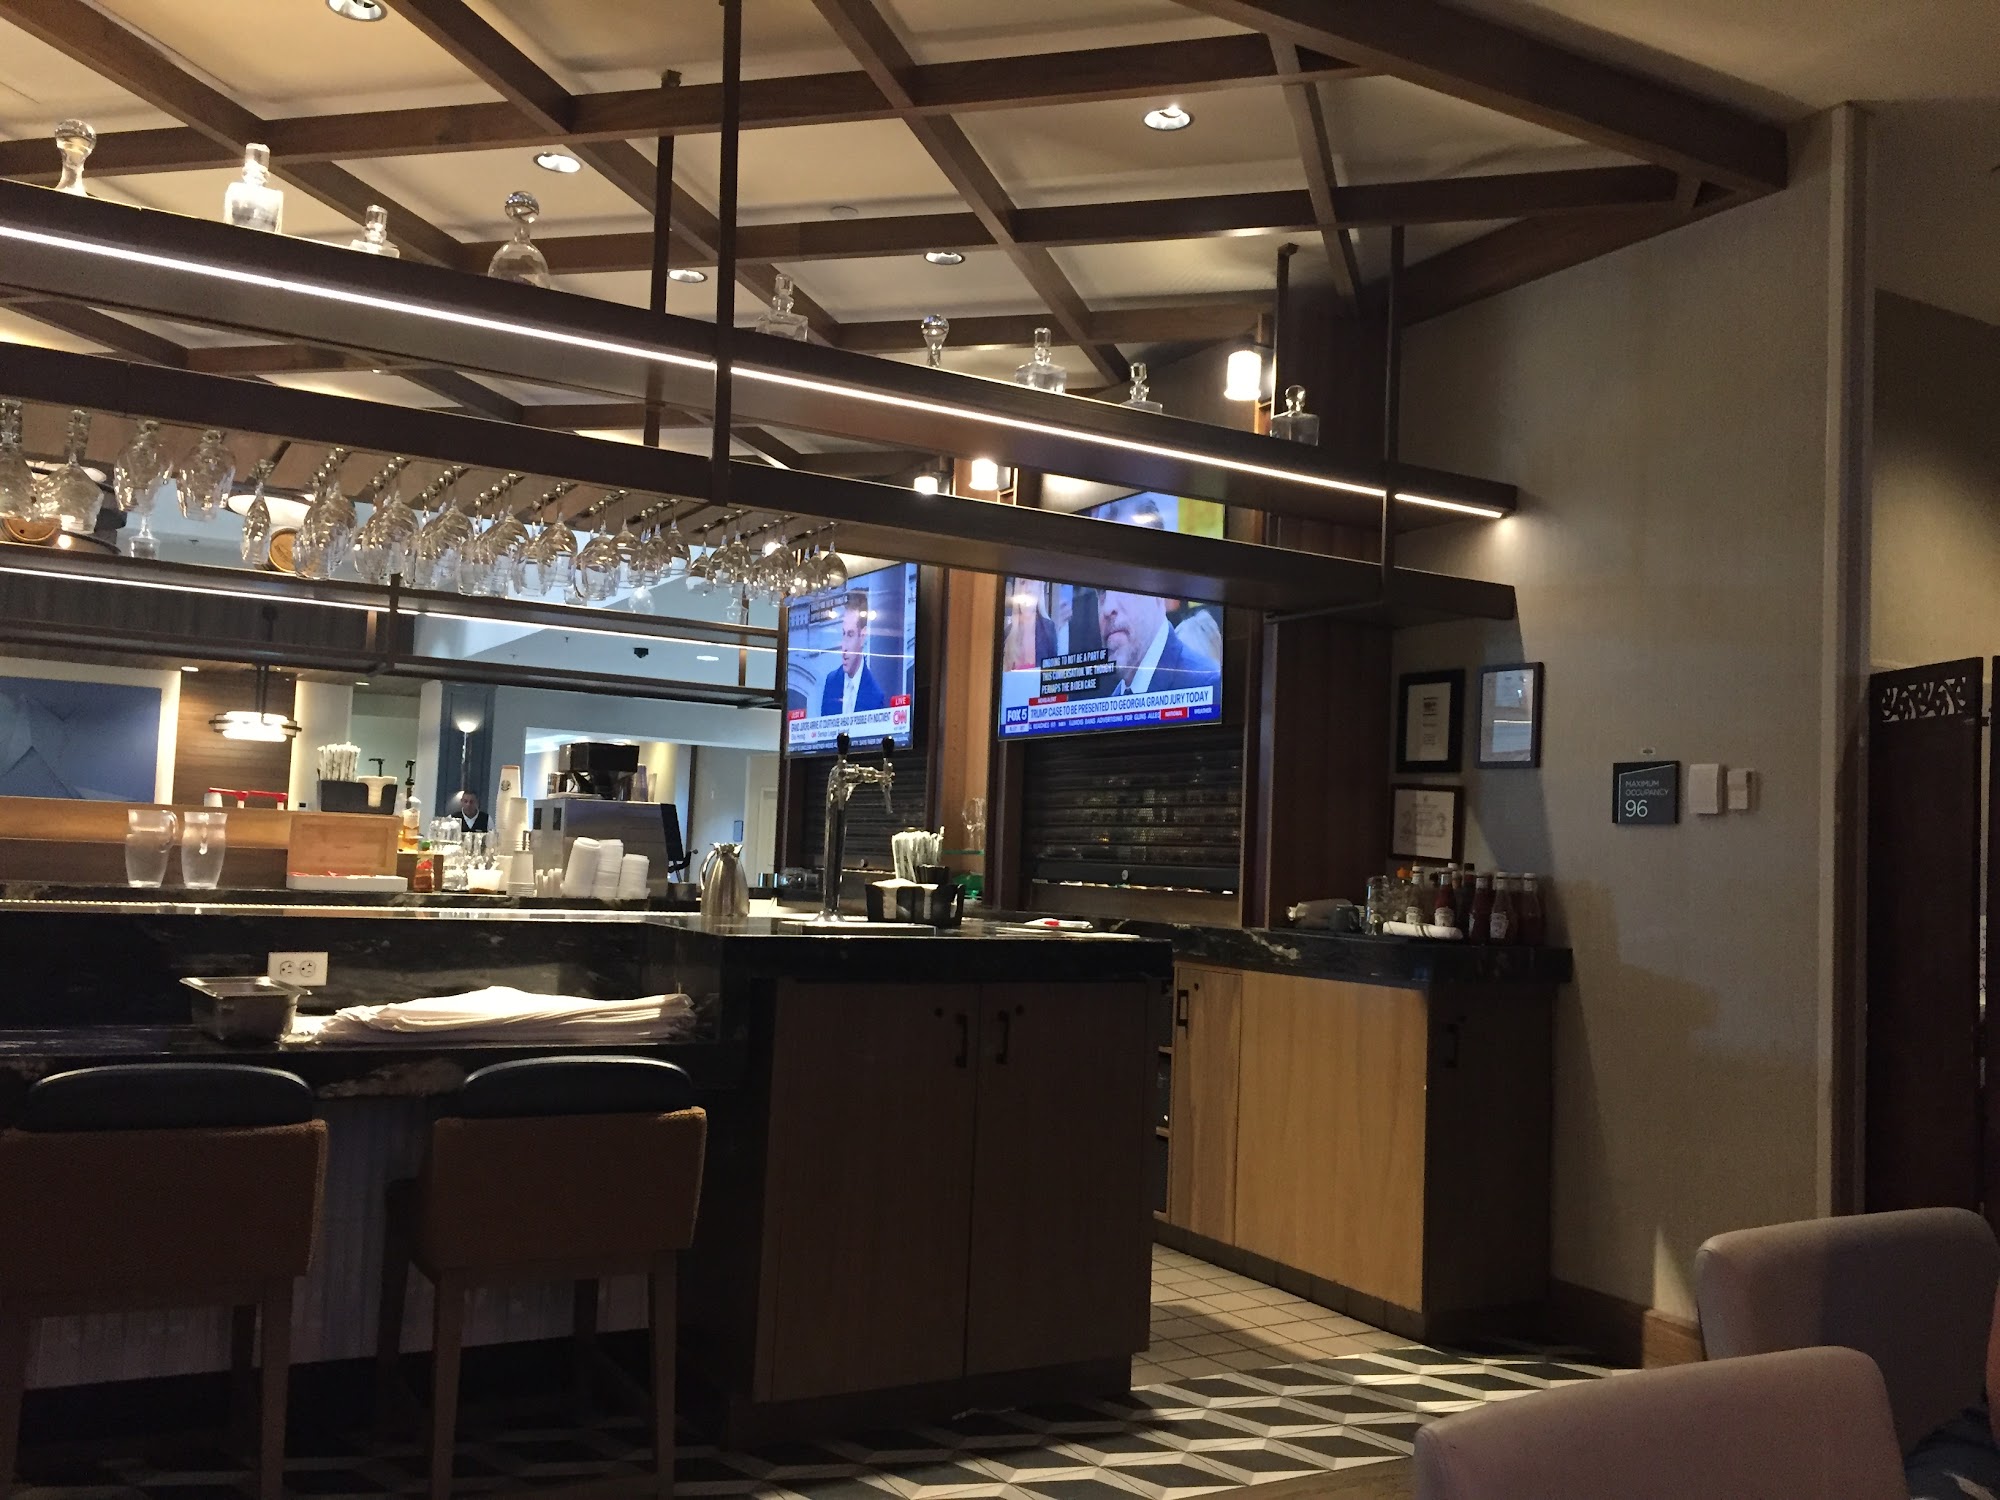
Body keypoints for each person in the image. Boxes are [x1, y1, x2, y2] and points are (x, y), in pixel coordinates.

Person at [1098, 590, 1221, 699]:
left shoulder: (1210, 687)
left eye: (1124, 587)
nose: (1107, 609)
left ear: (1158, 593)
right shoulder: (1107, 708)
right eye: (1101, 591)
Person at [819, 591, 886, 716]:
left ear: (862, 636)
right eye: (843, 633)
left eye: (850, 634)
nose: (843, 647)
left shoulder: (876, 695)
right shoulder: (831, 682)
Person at [1002, 581, 1058, 671]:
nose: (1027, 588)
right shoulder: (1007, 633)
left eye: (1032, 583)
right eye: (1023, 582)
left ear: (1039, 589)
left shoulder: (1049, 629)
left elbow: (1053, 672)